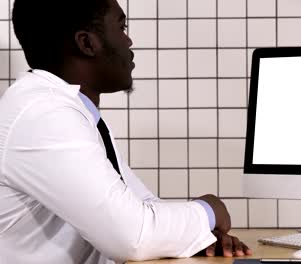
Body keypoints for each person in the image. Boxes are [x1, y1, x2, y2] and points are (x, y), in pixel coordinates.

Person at [0, 0, 252, 263]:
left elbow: (142, 207)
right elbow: (134, 236)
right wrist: (210, 210)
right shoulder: (43, 114)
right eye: (122, 27)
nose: (129, 42)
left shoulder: (70, 112)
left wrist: (203, 235)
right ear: (87, 43)